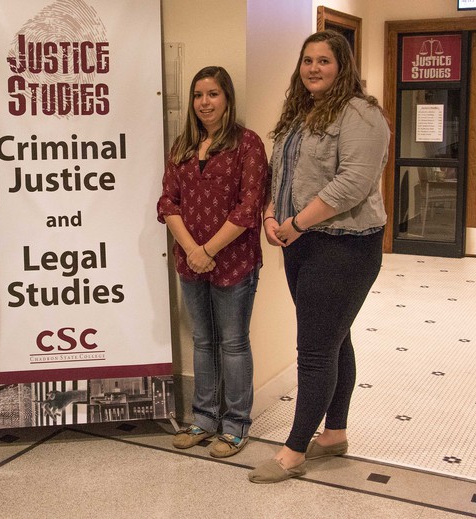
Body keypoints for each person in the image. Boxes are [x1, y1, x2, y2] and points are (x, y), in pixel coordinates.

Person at [249, 30, 390, 483]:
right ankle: (334, 435)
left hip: (345, 246)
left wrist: (294, 224)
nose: (313, 68)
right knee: (334, 340)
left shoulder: (362, 115)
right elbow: (283, 174)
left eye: (324, 60)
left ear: (342, 65)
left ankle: (293, 452)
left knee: (313, 351)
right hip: (303, 242)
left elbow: (351, 184)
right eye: (307, 60)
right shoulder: (300, 114)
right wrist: (272, 213)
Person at [157, 66, 269, 458]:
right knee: (203, 341)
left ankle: (235, 425)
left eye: (213, 94)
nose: (204, 102)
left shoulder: (248, 144)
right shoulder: (182, 146)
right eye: (198, 95)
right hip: (190, 263)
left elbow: (249, 205)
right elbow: (167, 202)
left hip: (234, 262)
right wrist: (192, 250)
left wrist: (209, 250)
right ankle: (203, 419)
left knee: (234, 343)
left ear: (227, 99)